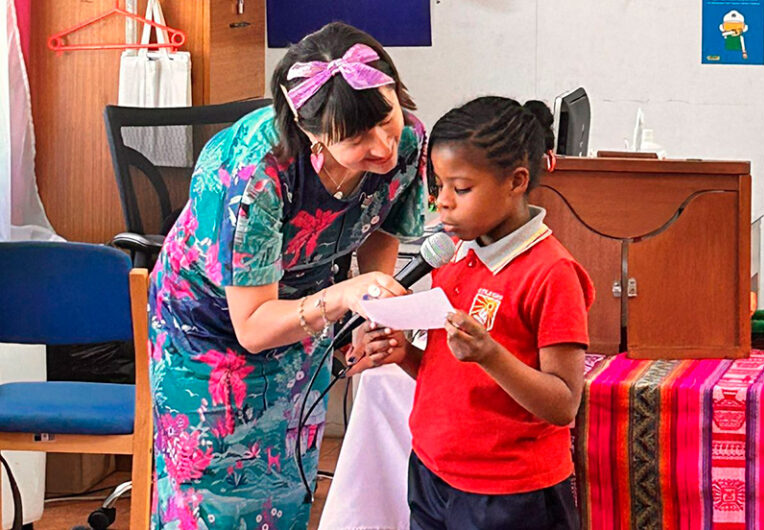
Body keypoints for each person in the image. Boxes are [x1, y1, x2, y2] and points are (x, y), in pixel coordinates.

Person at [148, 22, 428, 529]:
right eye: (358, 138)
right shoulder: (257, 172)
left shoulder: (407, 140)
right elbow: (252, 327)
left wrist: (371, 312)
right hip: (209, 330)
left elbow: (382, 223)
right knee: (214, 497)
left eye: (385, 119)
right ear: (312, 132)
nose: (384, 148)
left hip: (305, 314)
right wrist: (345, 295)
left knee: (284, 481)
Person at [354, 96, 594, 529]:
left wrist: (490, 354)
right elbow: (451, 375)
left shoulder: (552, 273)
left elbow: (563, 404)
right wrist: (404, 354)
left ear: (516, 181)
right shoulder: (453, 255)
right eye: (438, 186)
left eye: (461, 189)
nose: (442, 203)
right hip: (433, 470)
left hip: (510, 490)